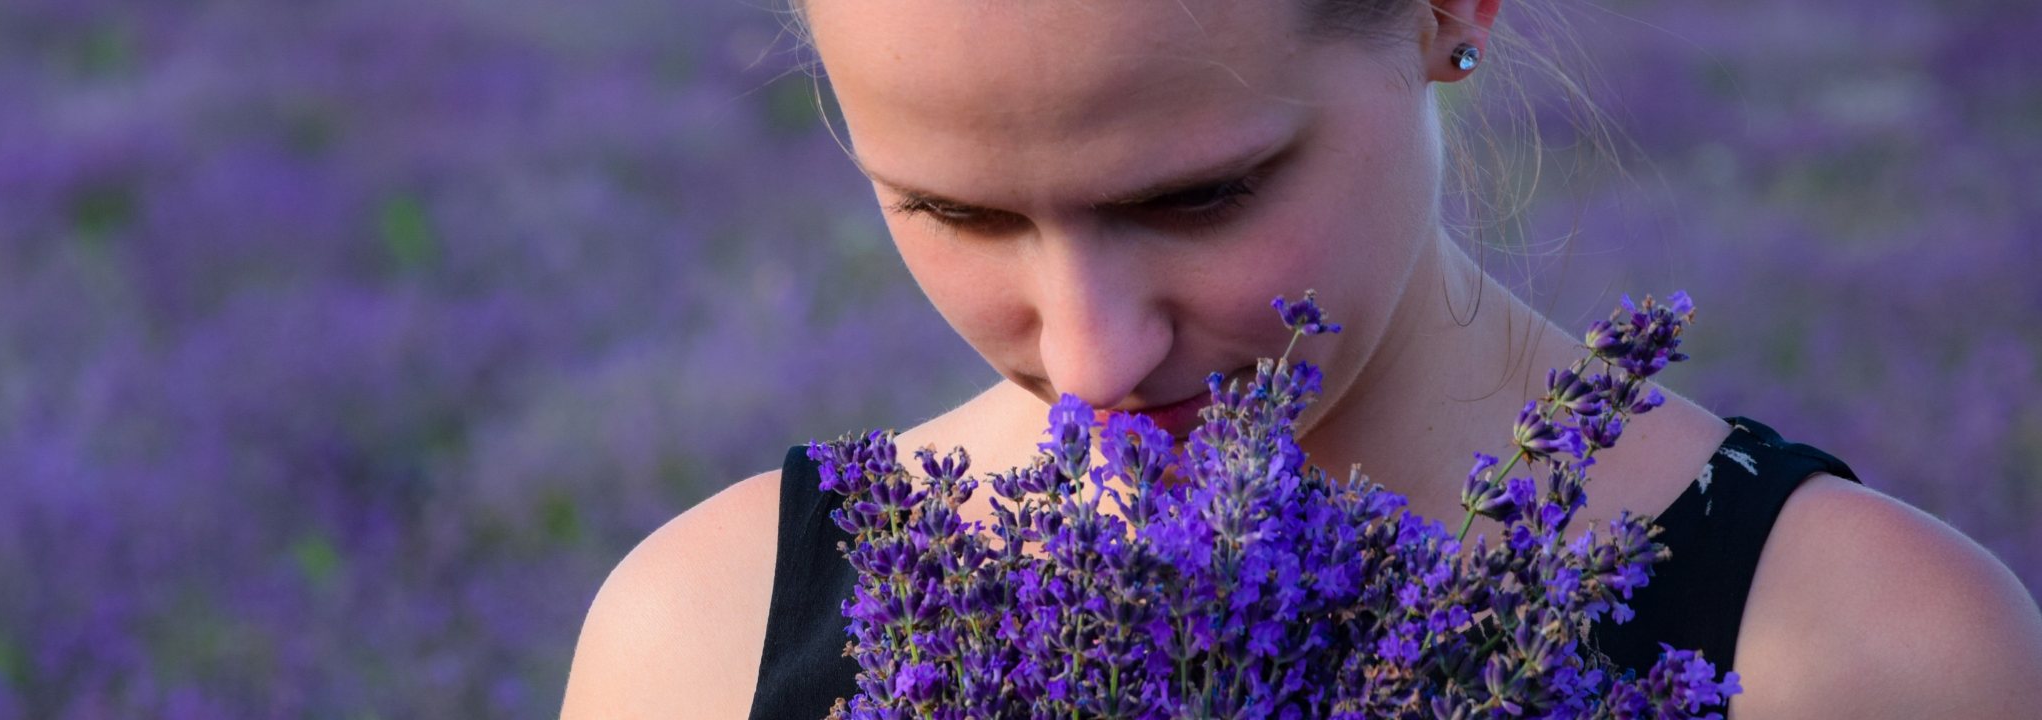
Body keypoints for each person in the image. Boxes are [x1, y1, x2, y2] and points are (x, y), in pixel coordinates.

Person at [561, 0, 2042, 717]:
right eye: (959, 212)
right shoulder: (697, 648)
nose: (1093, 360)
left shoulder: (1868, 659)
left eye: (1199, 196)